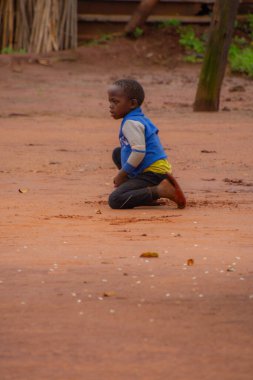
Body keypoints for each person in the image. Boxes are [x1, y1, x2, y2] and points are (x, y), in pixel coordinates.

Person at [107, 79, 186, 210]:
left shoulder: (130, 123)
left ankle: (160, 190)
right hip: (155, 170)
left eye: (115, 102)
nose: (111, 106)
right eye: (110, 101)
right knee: (118, 152)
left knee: (115, 200)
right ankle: (143, 193)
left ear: (132, 103)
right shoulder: (139, 118)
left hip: (152, 173)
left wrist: (121, 174)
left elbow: (138, 152)